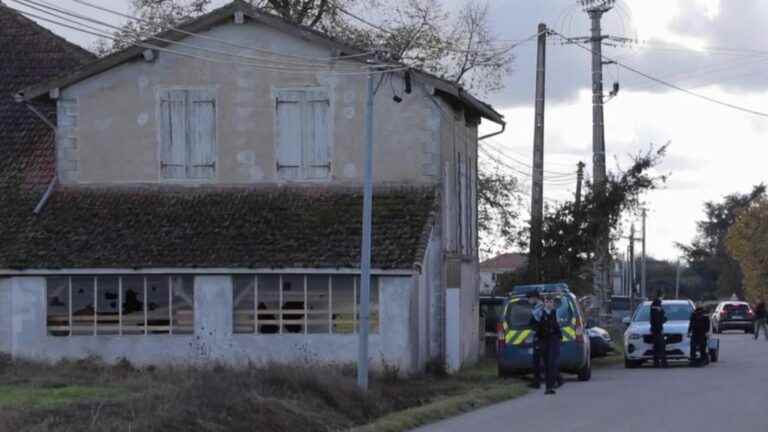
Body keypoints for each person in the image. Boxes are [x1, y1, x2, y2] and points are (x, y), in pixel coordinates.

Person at [534, 295, 562, 395]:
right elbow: (534, 316)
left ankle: (549, 387)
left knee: (552, 363)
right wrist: (540, 307)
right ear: (544, 303)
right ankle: (557, 380)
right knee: (546, 364)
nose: (549, 304)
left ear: (553, 303)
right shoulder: (540, 312)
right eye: (547, 302)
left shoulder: (556, 312)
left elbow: (559, 324)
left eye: (550, 302)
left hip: (554, 339)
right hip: (543, 340)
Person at [526, 291, 545, 389]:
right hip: (538, 337)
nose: (528, 301)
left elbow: (541, 323)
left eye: (529, 298)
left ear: (535, 298)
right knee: (538, 361)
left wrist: (536, 333)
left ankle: (557, 379)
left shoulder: (540, 308)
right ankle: (536, 382)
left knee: (539, 361)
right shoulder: (537, 308)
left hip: (540, 338)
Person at [650, 291, 668, 368]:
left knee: (656, 346)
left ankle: (656, 362)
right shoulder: (657, 305)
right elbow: (658, 318)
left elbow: (652, 318)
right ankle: (663, 363)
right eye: (663, 296)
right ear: (661, 295)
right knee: (661, 346)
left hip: (654, 329)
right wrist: (664, 319)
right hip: (658, 329)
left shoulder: (653, 305)